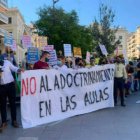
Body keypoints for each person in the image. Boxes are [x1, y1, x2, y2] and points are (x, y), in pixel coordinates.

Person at [0, 59, 23, 133]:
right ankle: (4, 122)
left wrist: (19, 69)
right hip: (1, 87)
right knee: (2, 105)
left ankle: (14, 121)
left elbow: (14, 68)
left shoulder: (7, 62)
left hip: (10, 85)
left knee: (12, 104)